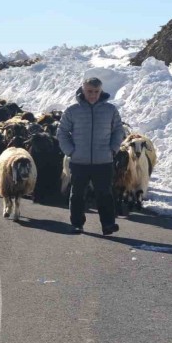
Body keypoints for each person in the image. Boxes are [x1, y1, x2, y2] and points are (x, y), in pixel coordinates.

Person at [57, 77, 125, 235]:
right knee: (78, 194)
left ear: (101, 91)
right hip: (79, 161)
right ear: (83, 90)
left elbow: (118, 131)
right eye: (89, 91)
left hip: (104, 161)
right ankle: (77, 224)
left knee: (105, 193)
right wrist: (71, 151)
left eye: (96, 91)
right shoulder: (73, 111)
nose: (93, 95)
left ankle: (108, 224)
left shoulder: (110, 110)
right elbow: (62, 132)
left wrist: (113, 149)